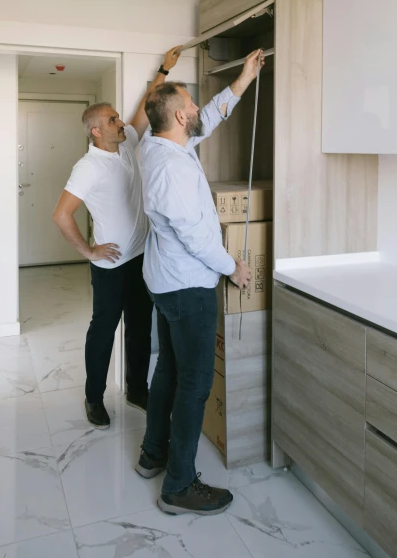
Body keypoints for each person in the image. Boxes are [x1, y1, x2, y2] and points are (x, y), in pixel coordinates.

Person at [135, 49, 264, 515]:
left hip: (166, 282)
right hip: (186, 286)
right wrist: (235, 267)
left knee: (169, 368)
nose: (196, 108)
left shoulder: (159, 143)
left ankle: (154, 453)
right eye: (190, 103)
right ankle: (179, 485)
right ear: (177, 116)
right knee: (193, 383)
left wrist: (244, 78)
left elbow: (208, 119)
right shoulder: (169, 166)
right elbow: (192, 235)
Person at [53, 45, 182, 429]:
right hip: (110, 265)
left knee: (140, 328)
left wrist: (162, 69)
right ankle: (94, 397)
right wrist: (89, 251)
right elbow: (61, 215)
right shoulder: (87, 167)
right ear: (96, 130)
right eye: (112, 120)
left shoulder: (125, 144)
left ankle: (136, 390)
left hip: (141, 257)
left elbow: (142, 110)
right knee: (104, 331)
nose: (119, 123)